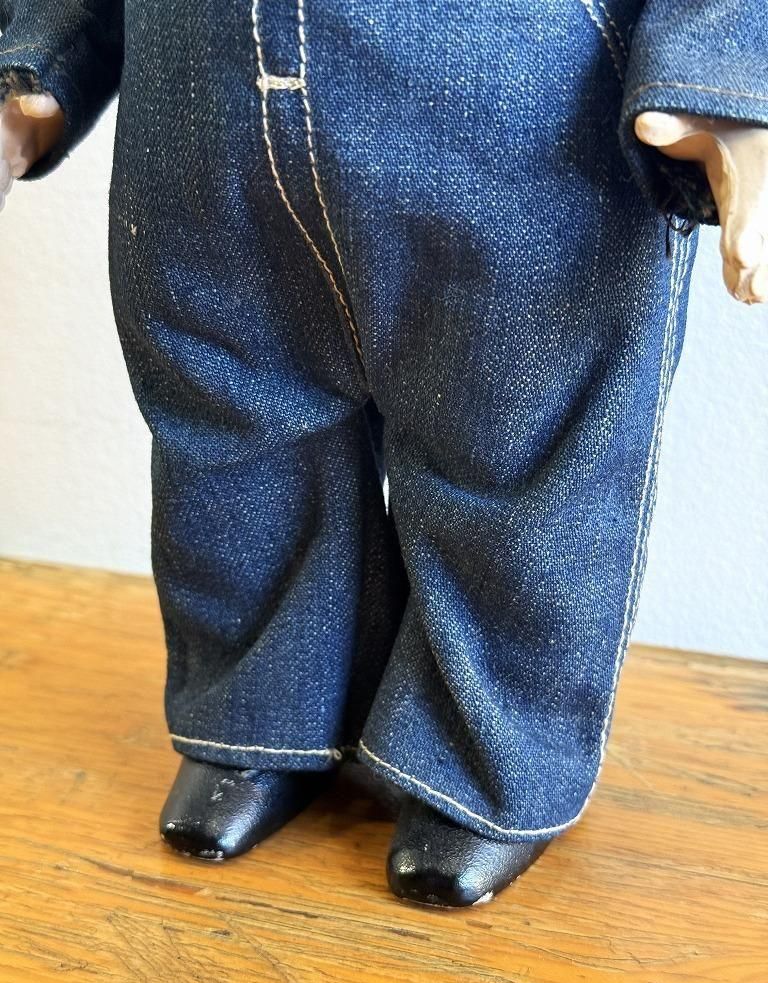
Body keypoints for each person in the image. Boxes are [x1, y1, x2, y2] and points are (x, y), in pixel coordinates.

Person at [1, 0, 766, 908]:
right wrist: (35, 50)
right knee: (229, 425)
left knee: (514, 450)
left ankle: (481, 757)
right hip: (200, 95)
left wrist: (728, 77)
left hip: (522, 104)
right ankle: (262, 714)